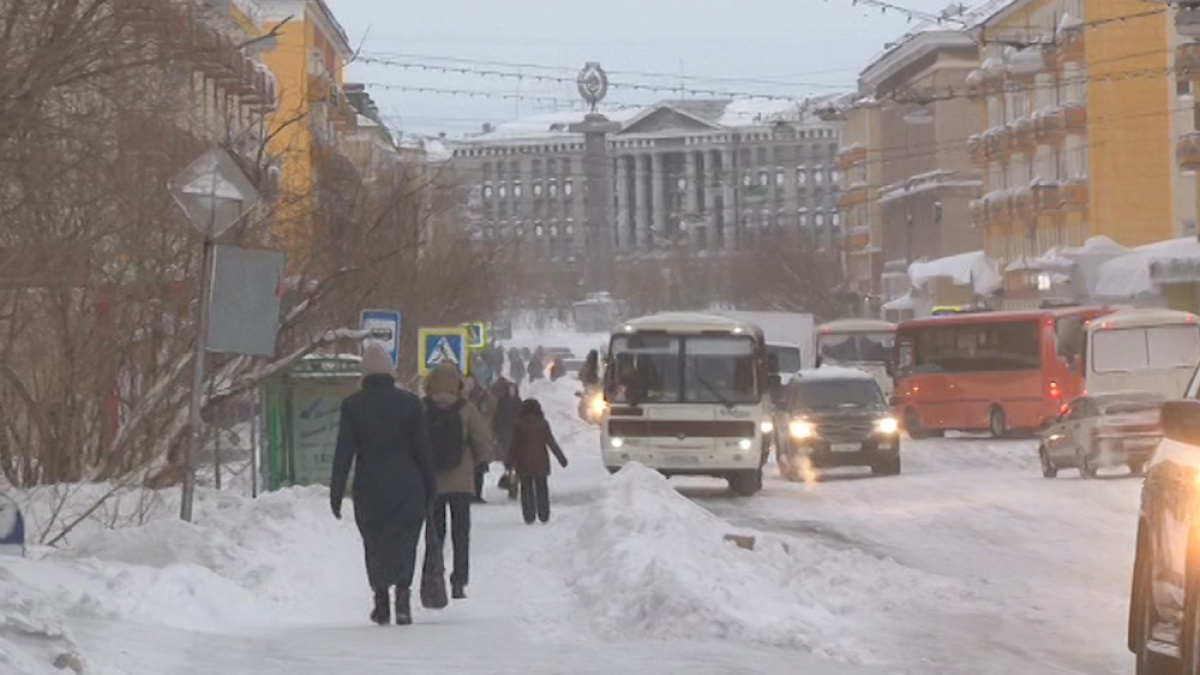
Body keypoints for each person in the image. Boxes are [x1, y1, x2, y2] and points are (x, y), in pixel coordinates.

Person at [330, 342, 436, 626]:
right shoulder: (411, 403)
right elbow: (423, 449)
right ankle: (403, 599)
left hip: (370, 487)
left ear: (364, 374)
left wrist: (337, 491)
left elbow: (344, 451)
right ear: (391, 372)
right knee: (406, 541)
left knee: (374, 542)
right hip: (408, 485)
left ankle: (381, 601)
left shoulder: (352, 405)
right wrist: (431, 487)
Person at [423, 363, 493, 600]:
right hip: (461, 482)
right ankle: (459, 581)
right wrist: (478, 459)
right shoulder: (466, 409)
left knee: (436, 532)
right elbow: (483, 442)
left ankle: (434, 575)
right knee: (461, 533)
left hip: (431, 481)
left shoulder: (422, 407)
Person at [507, 399, 568, 524]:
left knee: (526, 489)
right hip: (541, 461)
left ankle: (529, 516)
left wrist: (509, 461)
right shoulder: (543, 424)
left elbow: (514, 445)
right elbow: (551, 443)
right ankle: (544, 514)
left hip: (523, 462)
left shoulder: (519, 425)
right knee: (542, 488)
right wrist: (561, 459)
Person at [462, 374, 497, 504]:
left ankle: (477, 493)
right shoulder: (462, 398)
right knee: (469, 467)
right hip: (466, 436)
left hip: (481, 434)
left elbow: (492, 410)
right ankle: (470, 492)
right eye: (466, 384)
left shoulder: (485, 397)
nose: (469, 386)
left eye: (470, 383)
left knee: (480, 467)